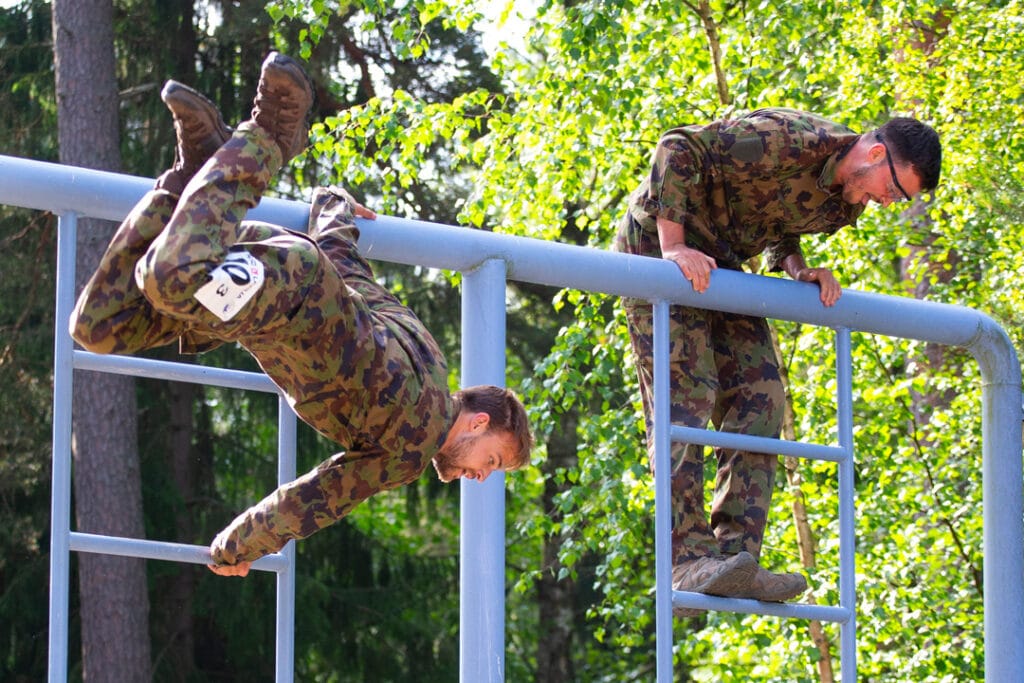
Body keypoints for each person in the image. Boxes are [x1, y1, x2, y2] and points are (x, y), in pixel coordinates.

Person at [69, 52, 533, 578]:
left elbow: (351, 274)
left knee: (97, 328)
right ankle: (271, 134)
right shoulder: (412, 446)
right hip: (283, 287)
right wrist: (235, 548)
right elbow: (314, 499)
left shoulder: (428, 354)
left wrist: (333, 204)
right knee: (168, 278)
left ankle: (191, 176)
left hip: (258, 297)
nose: (479, 476)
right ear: (478, 422)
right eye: (491, 460)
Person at [614, 108, 941, 615]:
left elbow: (774, 214)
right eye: (894, 190)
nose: (888, 202)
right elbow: (678, 147)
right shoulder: (789, 140)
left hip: (722, 265)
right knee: (686, 397)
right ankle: (685, 559)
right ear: (876, 154)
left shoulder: (846, 196)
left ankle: (734, 559)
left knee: (762, 396)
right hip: (656, 248)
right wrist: (674, 246)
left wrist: (796, 267)